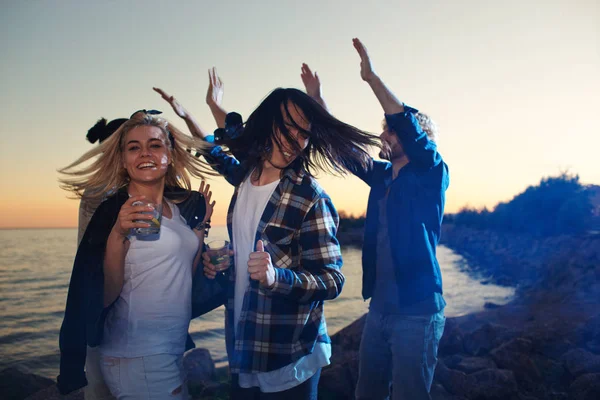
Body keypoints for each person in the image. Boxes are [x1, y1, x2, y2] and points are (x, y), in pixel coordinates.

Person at [181, 68, 380, 399]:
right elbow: (216, 151)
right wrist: (224, 264)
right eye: (289, 127)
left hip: (290, 357)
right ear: (268, 124)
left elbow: (332, 280)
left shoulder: (310, 197)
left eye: (304, 133)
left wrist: (277, 277)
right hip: (244, 347)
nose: (295, 141)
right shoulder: (244, 179)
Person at [301, 38, 449, 400]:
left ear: (416, 137)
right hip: (379, 309)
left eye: (390, 129)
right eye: (384, 129)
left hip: (417, 313)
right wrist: (317, 102)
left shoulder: (431, 172)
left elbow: (408, 126)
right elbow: (344, 149)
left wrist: (371, 77)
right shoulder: (382, 174)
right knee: (366, 394)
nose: (383, 134)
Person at [57, 110, 224, 399]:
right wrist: (118, 235)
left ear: (169, 154)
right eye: (134, 147)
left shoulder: (177, 209)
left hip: (169, 348)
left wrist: (201, 226)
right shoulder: (113, 212)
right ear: (123, 160)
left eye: (155, 145)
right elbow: (104, 294)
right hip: (137, 354)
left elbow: (186, 270)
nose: (145, 152)